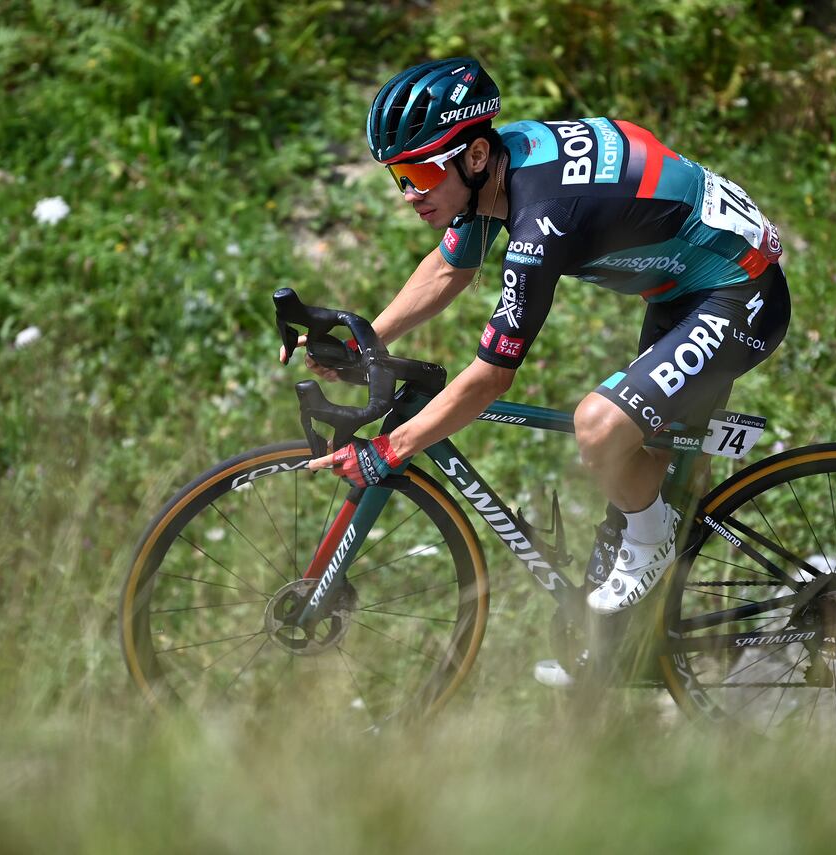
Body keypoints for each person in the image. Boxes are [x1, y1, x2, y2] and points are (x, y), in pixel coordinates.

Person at [297, 56, 789, 618]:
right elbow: (449, 268)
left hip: (740, 293)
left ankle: (656, 545)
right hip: (683, 289)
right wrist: (365, 342)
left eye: (422, 175)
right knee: (646, 471)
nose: (410, 193)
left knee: (600, 429)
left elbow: (491, 377)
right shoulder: (499, 167)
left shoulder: (543, 218)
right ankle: (644, 636)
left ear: (474, 156)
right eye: (399, 177)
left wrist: (392, 449)